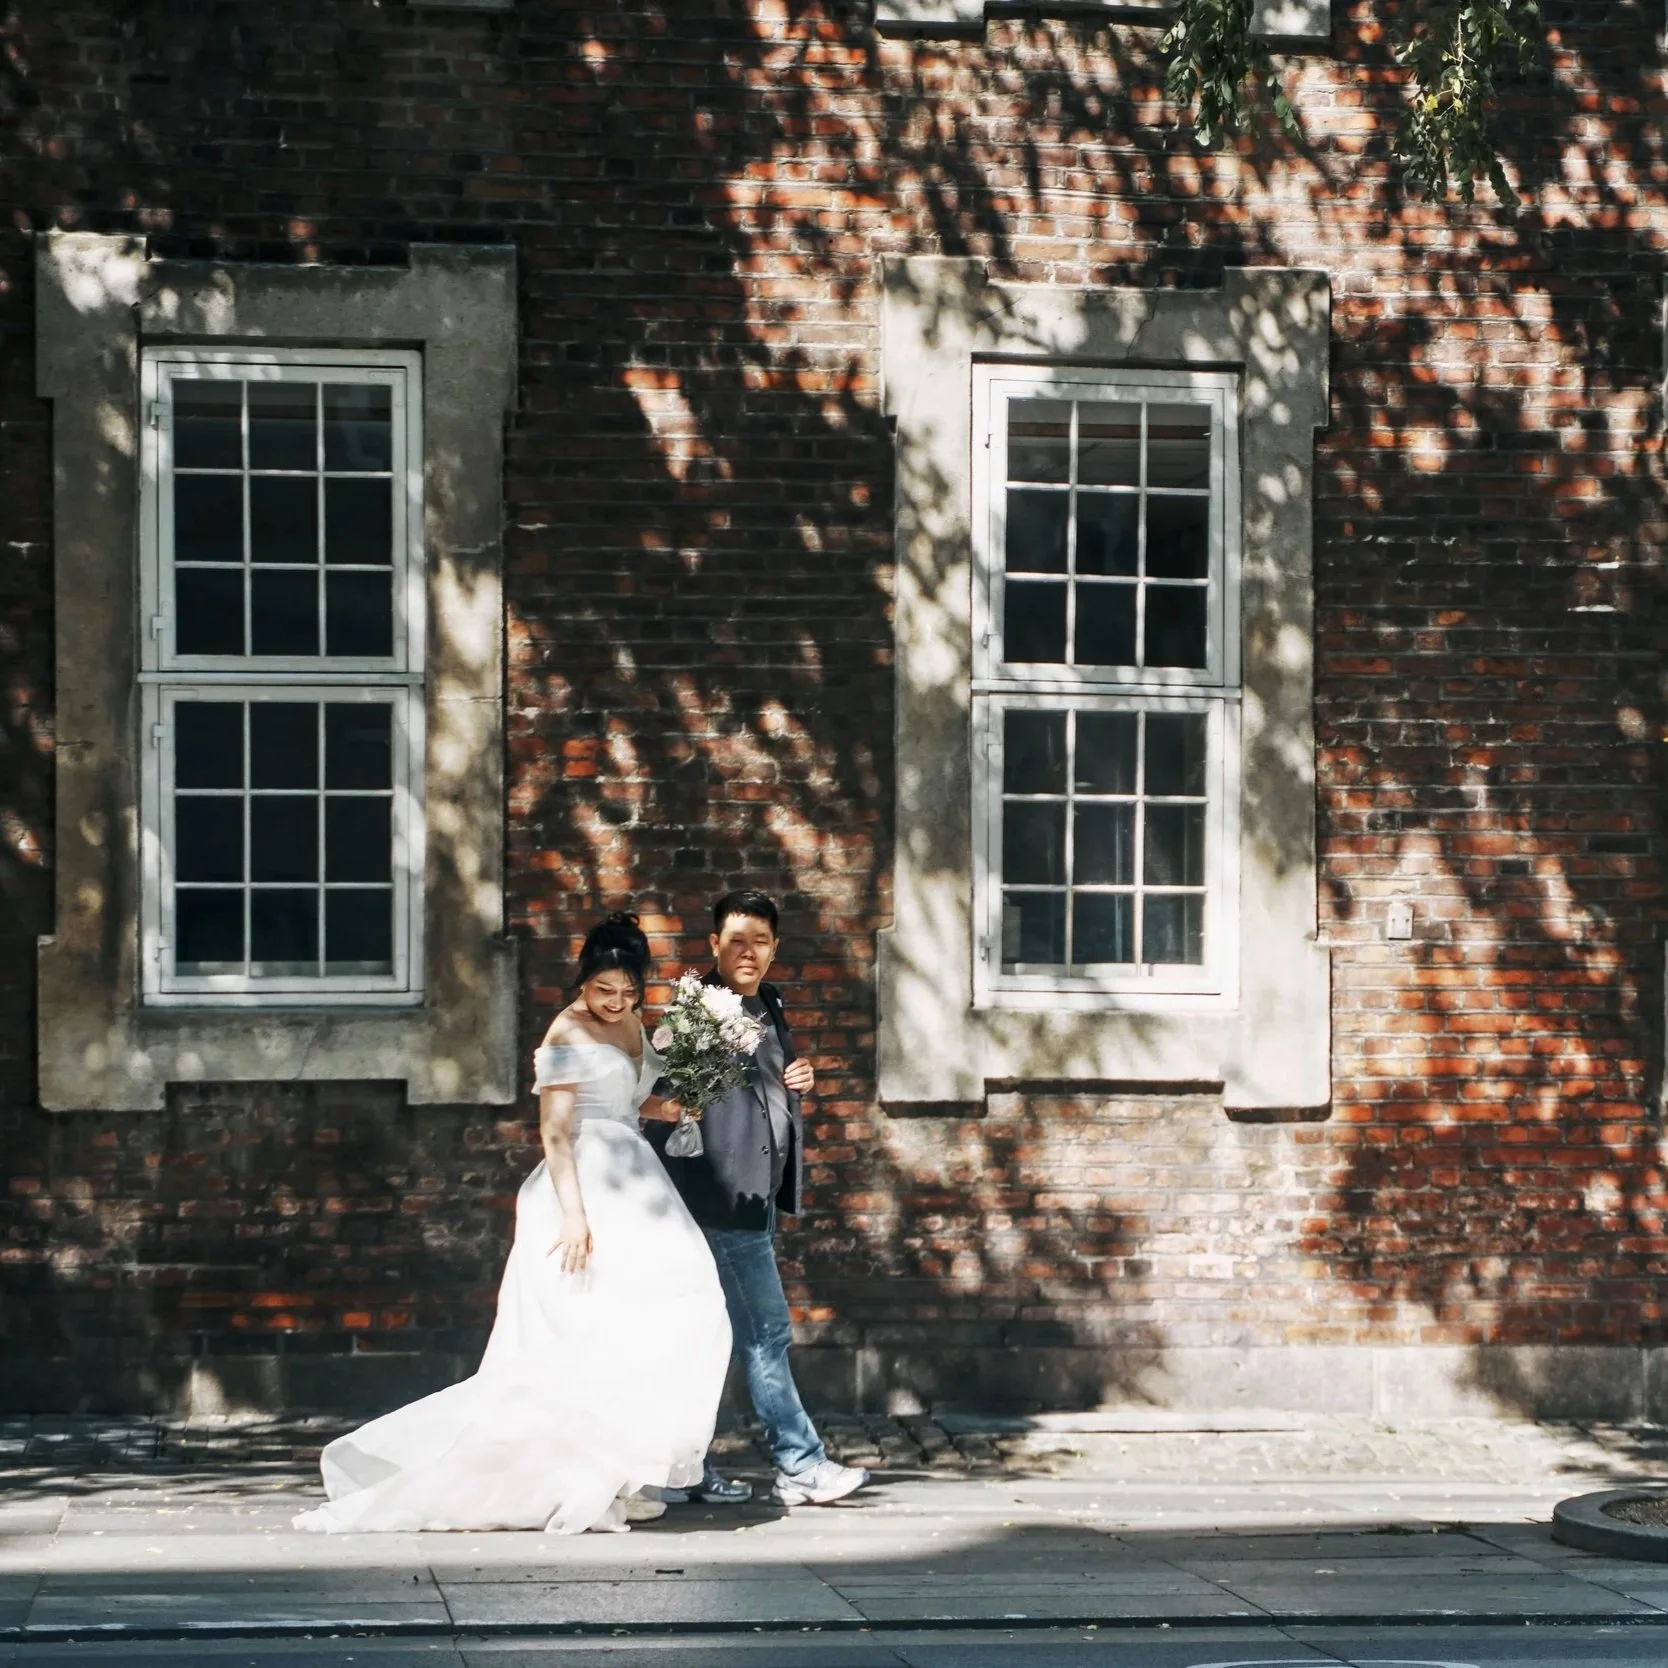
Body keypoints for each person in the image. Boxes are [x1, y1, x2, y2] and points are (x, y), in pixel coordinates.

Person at [294, 914, 732, 1535]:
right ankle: (578, 1478)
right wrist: (576, 1218)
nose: (615, 1001)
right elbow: (555, 1131)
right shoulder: (564, 1036)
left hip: (636, 1178)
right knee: (581, 1334)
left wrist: (675, 1102)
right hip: (581, 1183)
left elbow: (630, 1102)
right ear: (583, 980)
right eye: (603, 989)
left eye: (628, 991)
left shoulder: (632, 1022)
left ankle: (624, 1468)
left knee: (671, 1309)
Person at [641, 889, 868, 1509]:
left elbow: (765, 1085)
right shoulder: (696, 1009)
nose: (748, 952)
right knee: (765, 1333)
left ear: (774, 949)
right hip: (715, 1195)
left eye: (760, 941)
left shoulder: (766, 1000)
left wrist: (799, 1077)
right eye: (735, 940)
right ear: (713, 945)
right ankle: (800, 1463)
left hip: (754, 1196)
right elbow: (661, 1105)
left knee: (708, 1336)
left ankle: (679, 1470)